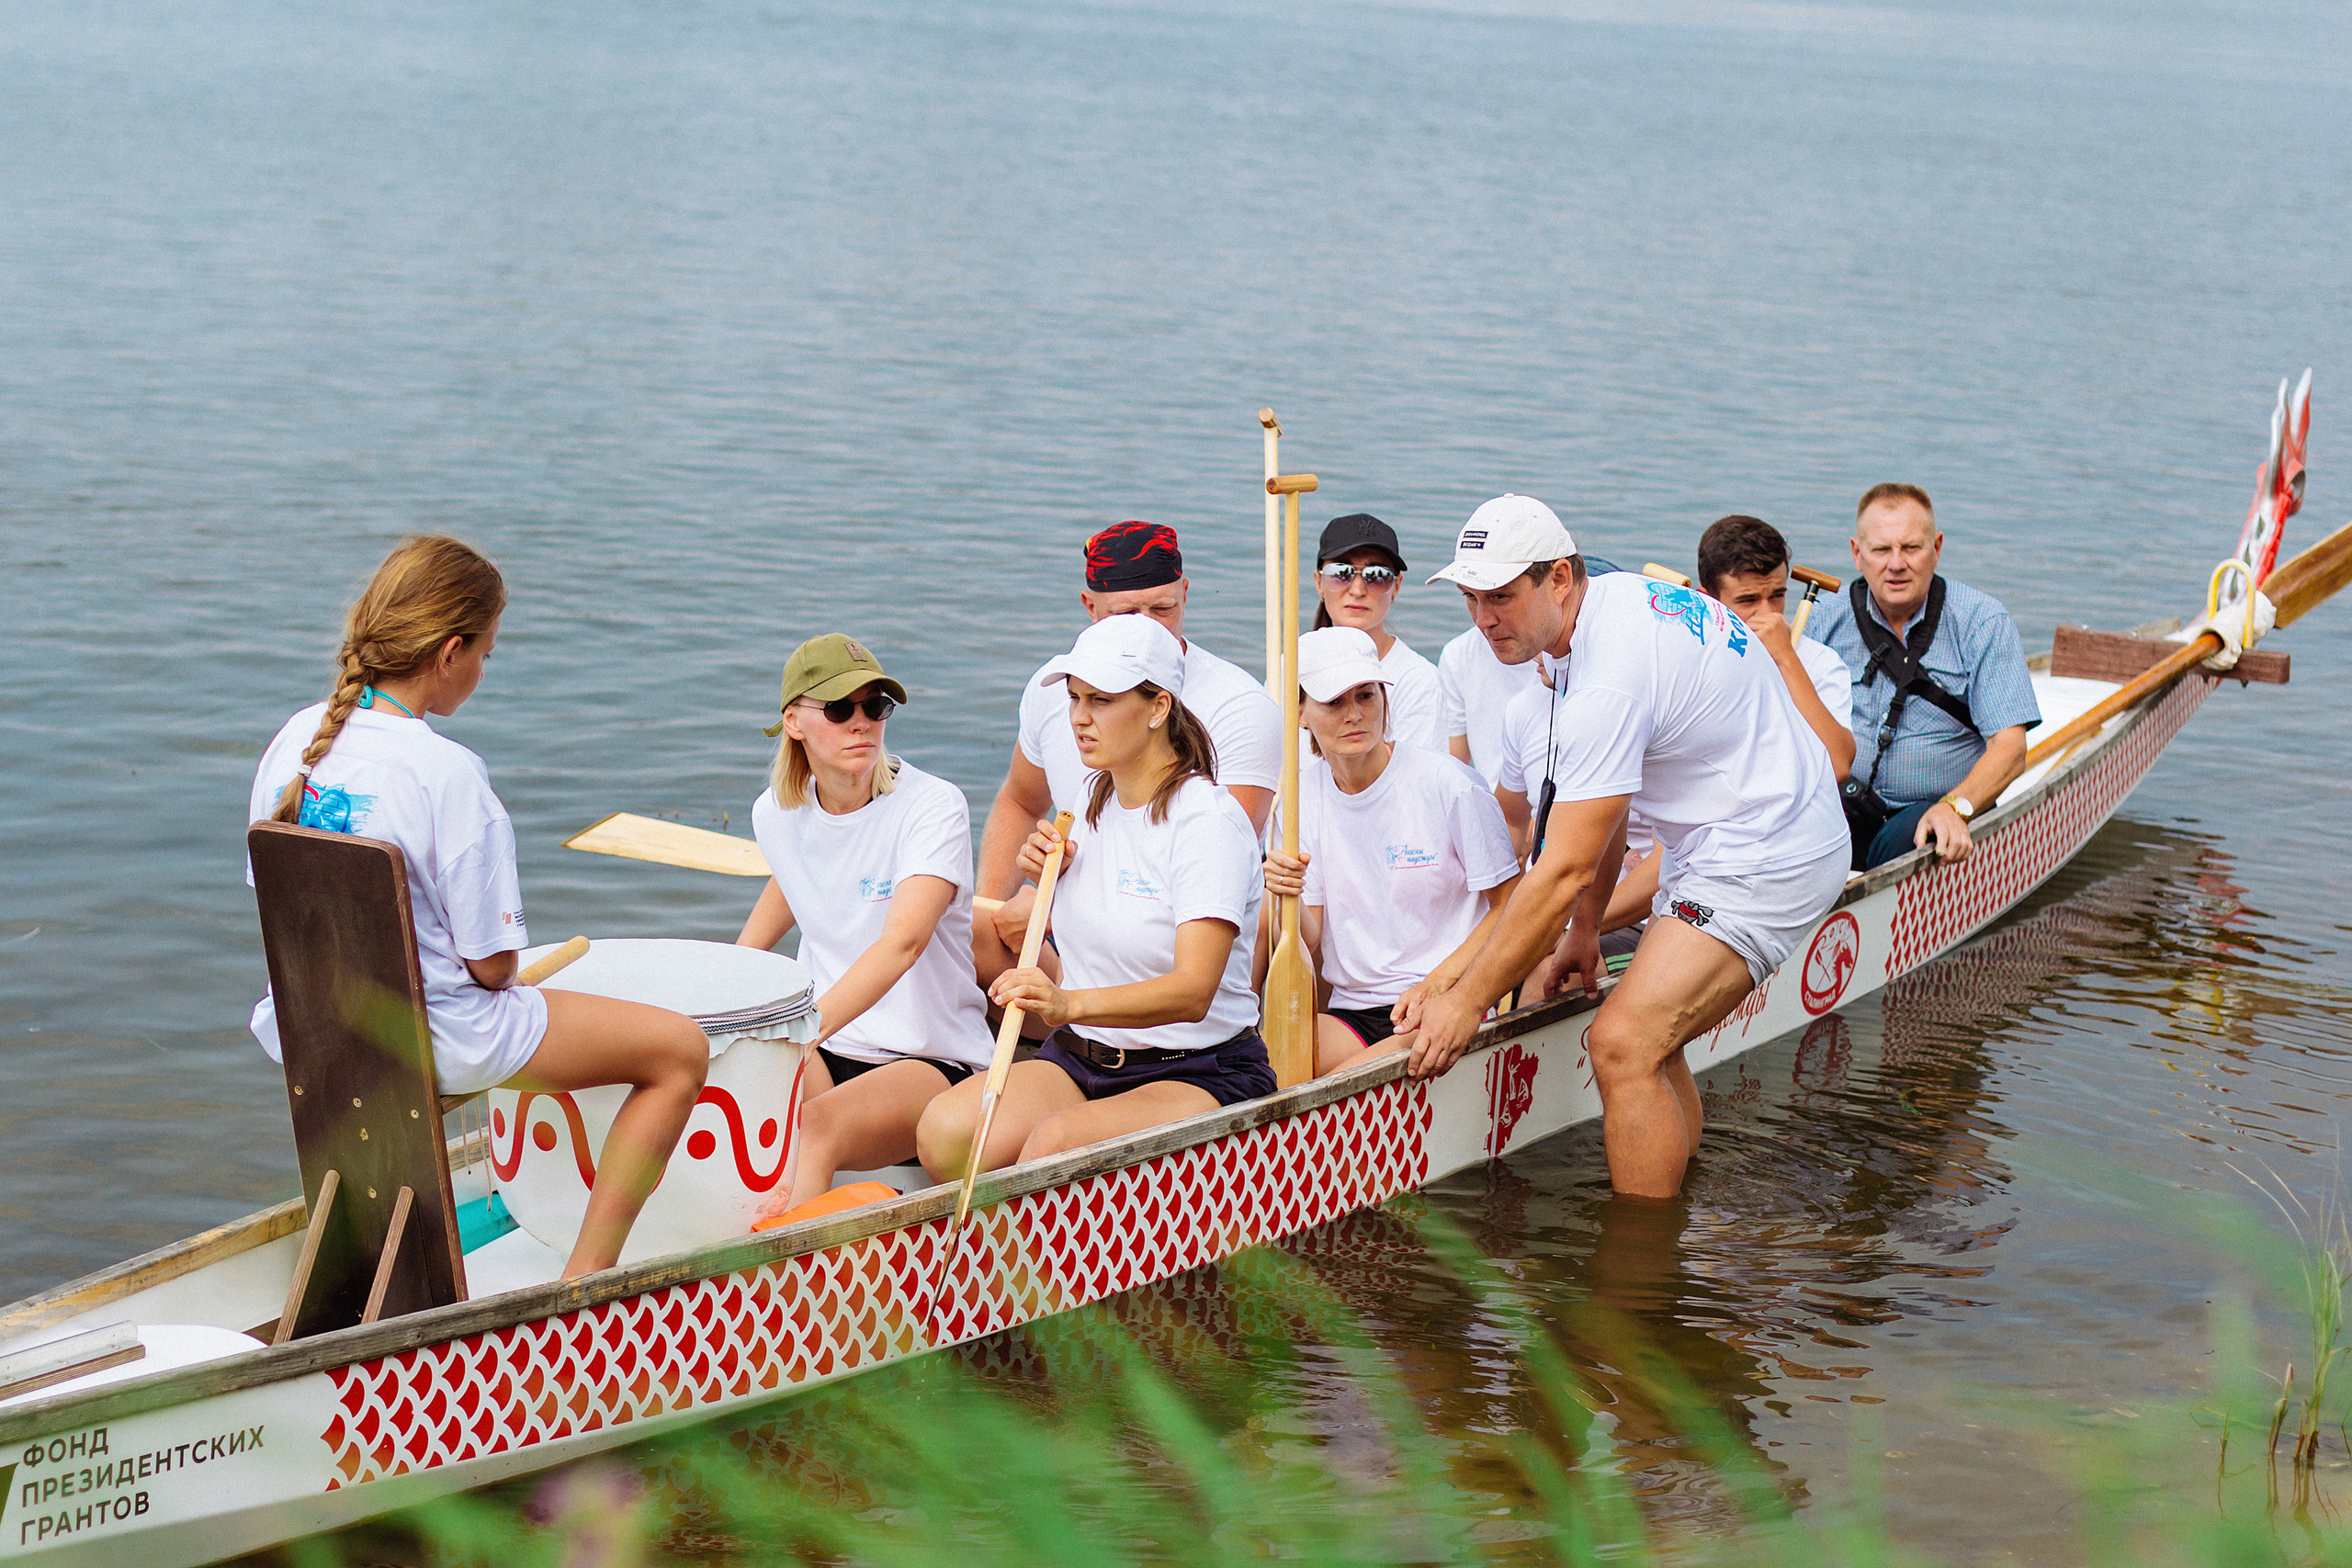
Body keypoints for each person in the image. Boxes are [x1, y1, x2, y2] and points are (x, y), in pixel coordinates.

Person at [246, 536, 707, 1279]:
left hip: (317, 1025)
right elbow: (493, 967)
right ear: (450, 652)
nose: (484, 670)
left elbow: (272, 894)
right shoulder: (449, 772)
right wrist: (499, 972)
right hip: (437, 1036)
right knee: (679, 1052)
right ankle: (584, 1281)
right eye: (486, 654)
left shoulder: (295, 741)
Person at [1405, 501, 1849, 1200]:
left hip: (1769, 849)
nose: (1483, 619)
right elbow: (1606, 818)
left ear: (1558, 577)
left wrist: (1466, 1003)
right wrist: (1584, 930)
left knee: (1622, 1044)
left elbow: (1563, 869)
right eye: (1470, 598)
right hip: (1728, 838)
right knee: (1651, 1044)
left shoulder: (1605, 677)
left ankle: (1641, 1260)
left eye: (1501, 597)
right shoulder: (1609, 604)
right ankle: (1678, 1215)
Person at [918, 615, 1272, 1177]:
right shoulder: (1089, 803)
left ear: (1158, 708)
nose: (1079, 718)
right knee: (946, 1132)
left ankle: (1029, 1231)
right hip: (1083, 1055)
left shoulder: (1207, 823)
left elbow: (1193, 992)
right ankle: (1013, 1230)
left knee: (1052, 1145)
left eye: (1102, 701)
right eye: (1075, 698)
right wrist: (1047, 882)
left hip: (1198, 1066)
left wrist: (1067, 1005)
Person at [735, 634, 991, 1217]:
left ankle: (778, 1272)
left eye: (875, 706)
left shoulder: (932, 806)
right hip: (827, 1045)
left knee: (812, 1128)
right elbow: (795, 878)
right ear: (794, 722)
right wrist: (726, 999)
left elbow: (903, 943)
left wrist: (801, 1030)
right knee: (716, 1095)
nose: (862, 723)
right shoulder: (774, 813)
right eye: (839, 708)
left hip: (927, 1058)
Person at [976, 520, 1282, 983]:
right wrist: (999, 909)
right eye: (1125, 614)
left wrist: (1054, 907)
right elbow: (1021, 801)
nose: (1145, 629)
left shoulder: (1241, 706)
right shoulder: (1053, 693)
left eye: (1163, 609)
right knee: (968, 930)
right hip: (1071, 920)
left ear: (1185, 593)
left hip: (1173, 934)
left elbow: (1219, 869)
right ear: (1089, 606)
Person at [1256, 627, 1521, 1076]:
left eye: (1366, 695)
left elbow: (1511, 905)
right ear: (1300, 714)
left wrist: (1439, 983)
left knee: (1331, 1087)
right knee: (1266, 1072)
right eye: (1334, 703)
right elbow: (1308, 938)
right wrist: (1287, 895)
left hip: (1448, 1000)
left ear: (1384, 698)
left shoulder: (1449, 784)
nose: (1355, 715)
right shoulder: (1298, 804)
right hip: (1354, 1012)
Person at [1588, 514, 1861, 932]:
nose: (1769, 615)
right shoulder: (1691, 660)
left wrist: (1785, 659)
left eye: (1778, 596)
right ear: (1707, 600)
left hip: (1768, 862)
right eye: (1748, 600)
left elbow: (1838, 765)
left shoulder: (1819, 663)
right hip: (1681, 861)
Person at [1810, 483, 2041, 870]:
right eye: (1881, 550)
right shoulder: (1822, 619)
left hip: (1934, 812)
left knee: (1906, 840)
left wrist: (1956, 806)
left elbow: (2010, 749)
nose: (1896, 564)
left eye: (1911, 548)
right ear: (1857, 553)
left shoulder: (1983, 621)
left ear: (1937, 547)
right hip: (1845, 802)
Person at [1308, 513, 1444, 752]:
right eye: (1341, 573)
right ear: (1319, 582)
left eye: (1377, 576)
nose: (1357, 590)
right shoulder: (1290, 668)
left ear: (1396, 586)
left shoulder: (1417, 680)